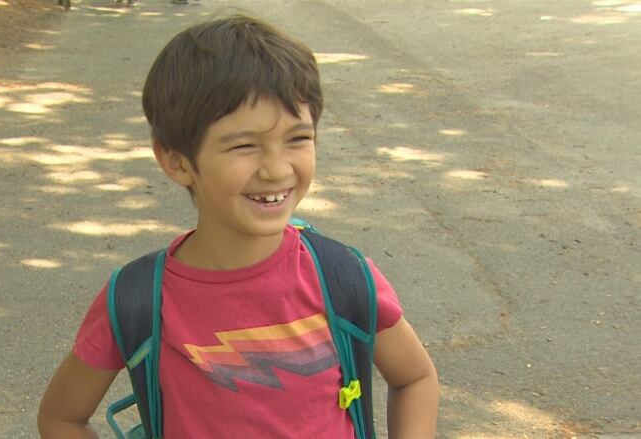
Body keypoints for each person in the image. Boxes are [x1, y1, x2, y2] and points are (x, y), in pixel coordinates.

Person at [37, 14, 438, 438]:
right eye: (244, 145)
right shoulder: (138, 300)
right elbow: (61, 417)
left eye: (298, 138)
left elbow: (415, 377)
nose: (276, 168)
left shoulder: (343, 280)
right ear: (176, 161)